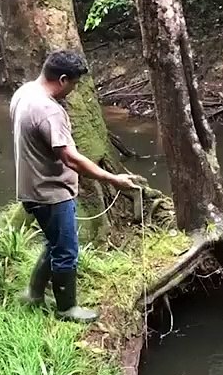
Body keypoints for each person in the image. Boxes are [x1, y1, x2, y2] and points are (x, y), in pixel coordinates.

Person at [11, 50, 141, 323]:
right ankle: (66, 308)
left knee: (53, 243)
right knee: (67, 251)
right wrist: (113, 179)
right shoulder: (49, 110)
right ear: (61, 79)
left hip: (31, 187)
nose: (74, 90)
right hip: (51, 192)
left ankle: (34, 294)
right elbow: (70, 158)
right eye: (74, 84)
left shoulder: (25, 93)